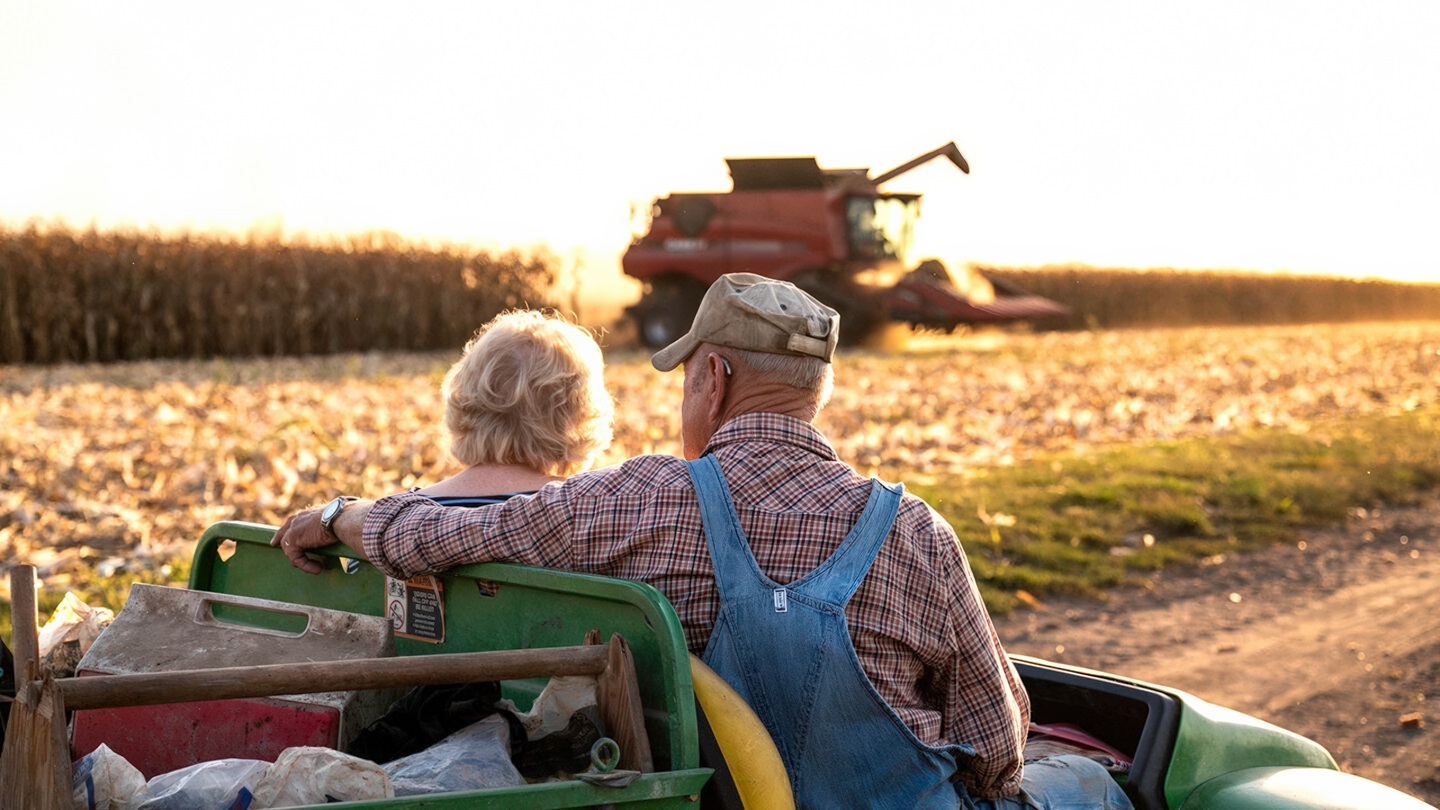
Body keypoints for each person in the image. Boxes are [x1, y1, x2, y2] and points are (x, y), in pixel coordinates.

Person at [273, 273, 1131, 809]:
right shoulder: (917, 534)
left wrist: (344, 517)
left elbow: (447, 534)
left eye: (687, 377)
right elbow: (997, 748)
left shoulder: (637, 502)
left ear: (712, 380)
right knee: (1096, 781)